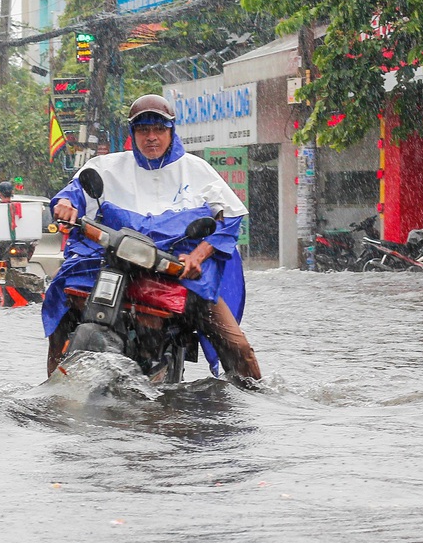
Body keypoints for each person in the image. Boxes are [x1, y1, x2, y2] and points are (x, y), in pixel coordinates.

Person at [44, 94, 261, 383]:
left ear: (171, 132)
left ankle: (254, 394)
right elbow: (73, 192)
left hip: (178, 271)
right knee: (63, 304)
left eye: (159, 130)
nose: (152, 138)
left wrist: (197, 257)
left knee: (238, 347)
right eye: (143, 130)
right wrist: (66, 204)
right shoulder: (106, 167)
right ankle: (52, 390)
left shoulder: (196, 170)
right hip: (113, 265)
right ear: (132, 134)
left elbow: (231, 218)